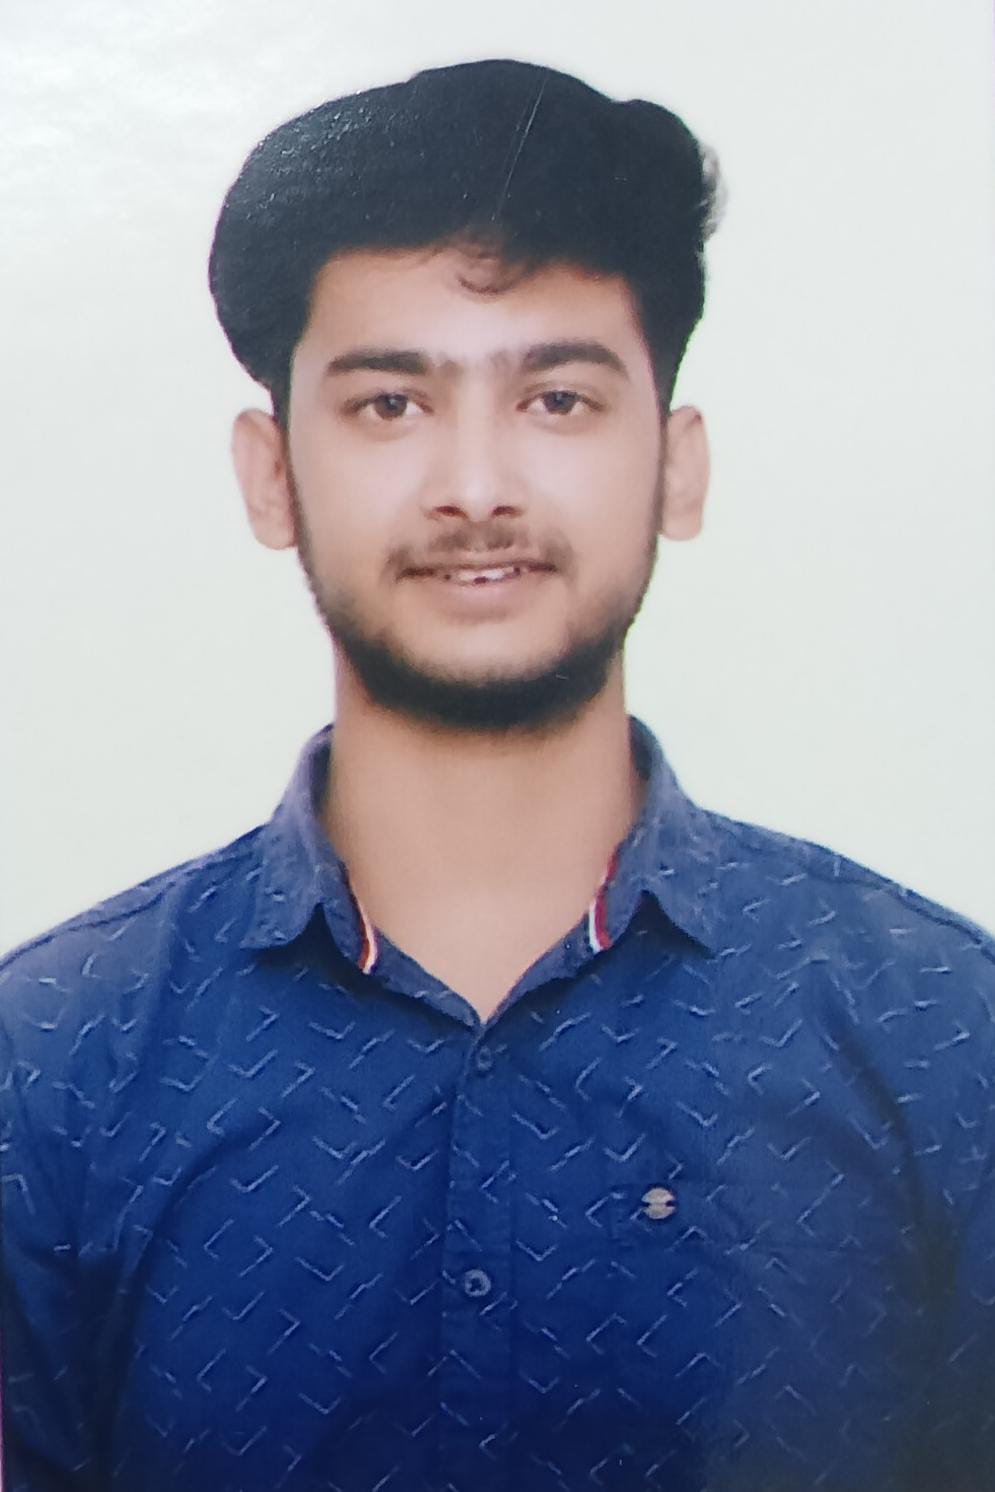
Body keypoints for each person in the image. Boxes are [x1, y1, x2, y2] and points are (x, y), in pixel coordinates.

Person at [1, 56, 992, 1492]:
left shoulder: (942, 1039)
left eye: (560, 399)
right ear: (271, 474)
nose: (475, 487)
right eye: (390, 405)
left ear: (679, 467)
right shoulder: (50, 1068)